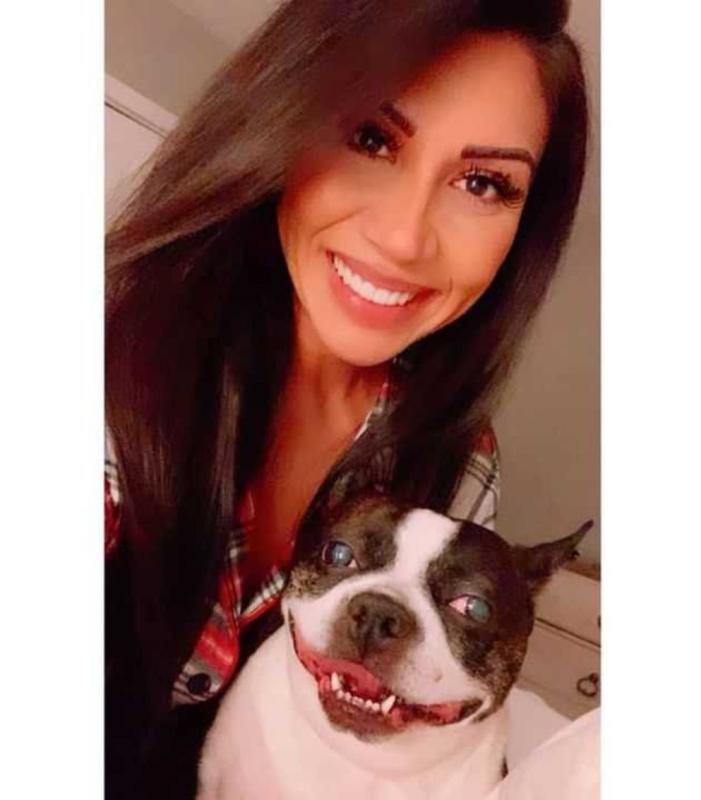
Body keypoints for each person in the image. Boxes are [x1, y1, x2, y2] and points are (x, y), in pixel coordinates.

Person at [105, 1, 588, 797]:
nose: (403, 237)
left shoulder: (460, 456)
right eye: (371, 139)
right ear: (274, 123)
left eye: (482, 182)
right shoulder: (110, 372)